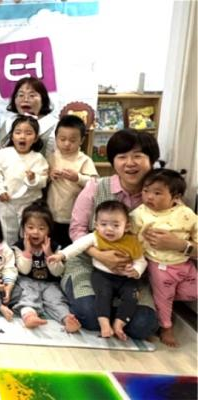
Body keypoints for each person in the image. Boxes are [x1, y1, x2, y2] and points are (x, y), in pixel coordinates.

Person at [63, 129, 161, 340]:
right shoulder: (96, 187)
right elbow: (77, 230)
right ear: (113, 161)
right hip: (89, 264)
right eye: (122, 156)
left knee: (143, 326)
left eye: (138, 156)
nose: (130, 163)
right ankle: (105, 309)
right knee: (89, 316)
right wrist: (99, 255)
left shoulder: (159, 195)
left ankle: (114, 312)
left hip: (132, 273)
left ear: (151, 160)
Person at [50, 200, 146, 340]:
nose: (109, 229)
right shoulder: (95, 237)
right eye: (104, 224)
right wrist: (61, 255)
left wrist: (136, 271)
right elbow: (77, 246)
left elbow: (141, 260)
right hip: (102, 276)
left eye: (116, 225)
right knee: (103, 295)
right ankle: (105, 325)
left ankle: (119, 324)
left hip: (126, 278)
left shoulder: (132, 242)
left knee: (131, 297)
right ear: (96, 225)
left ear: (126, 227)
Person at [130, 168, 197, 346]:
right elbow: (130, 237)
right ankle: (166, 327)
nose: (149, 197)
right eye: (146, 191)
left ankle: (163, 301)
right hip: (159, 266)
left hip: (185, 263)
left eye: (157, 193)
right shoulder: (139, 213)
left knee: (192, 292)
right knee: (163, 298)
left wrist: (183, 245)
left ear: (176, 197)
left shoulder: (186, 213)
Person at [12, 202, 81, 332]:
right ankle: (30, 316)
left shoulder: (55, 247)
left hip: (50, 283)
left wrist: (49, 254)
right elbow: (24, 270)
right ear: (23, 228)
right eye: (30, 227)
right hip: (27, 281)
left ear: (49, 230)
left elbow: (58, 272)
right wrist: (27, 252)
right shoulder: (19, 246)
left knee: (56, 299)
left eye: (41, 228)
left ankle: (67, 319)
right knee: (28, 296)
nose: (35, 232)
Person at [0, 115, 49, 245]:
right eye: (18, 132)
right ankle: (9, 252)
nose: (22, 137)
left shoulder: (38, 158)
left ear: (35, 138)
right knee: (7, 231)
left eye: (28, 133)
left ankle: (27, 253)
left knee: (29, 230)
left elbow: (43, 181)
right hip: (7, 201)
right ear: (12, 136)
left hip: (30, 202)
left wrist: (33, 179)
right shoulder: (1, 155)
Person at [47, 115, 98, 245]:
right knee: (52, 245)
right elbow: (41, 179)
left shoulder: (84, 160)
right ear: (56, 138)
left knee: (71, 247)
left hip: (75, 216)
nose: (66, 144)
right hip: (51, 213)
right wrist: (49, 175)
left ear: (81, 140)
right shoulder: (51, 157)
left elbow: (95, 184)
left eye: (72, 140)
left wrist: (78, 178)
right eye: (62, 139)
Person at [0, 77, 58, 157]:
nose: (25, 99)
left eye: (32, 95)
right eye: (21, 95)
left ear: (43, 100)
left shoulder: (54, 126)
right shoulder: (7, 122)